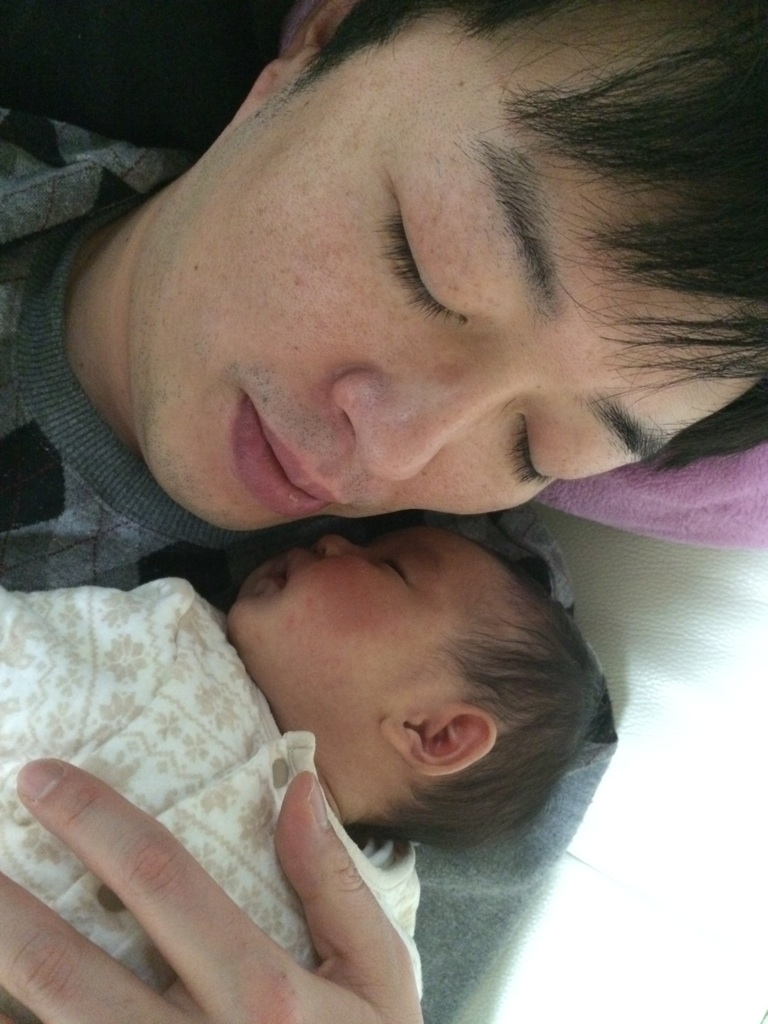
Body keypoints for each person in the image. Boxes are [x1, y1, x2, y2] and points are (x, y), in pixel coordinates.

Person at [0, 0, 763, 1022]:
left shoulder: (484, 689)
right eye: (427, 267)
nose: (395, 455)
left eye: (538, 446)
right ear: (321, 38)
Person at [0, 517, 603, 1023]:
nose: (334, 540)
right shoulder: (170, 632)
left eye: (391, 568)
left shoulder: (383, 946)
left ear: (434, 734)